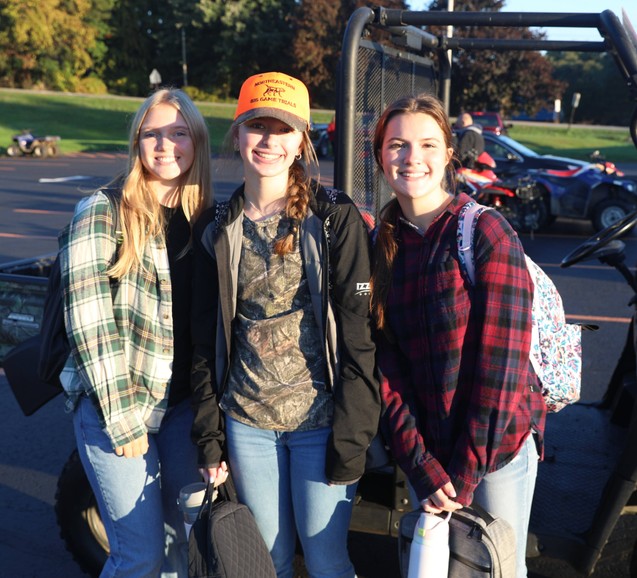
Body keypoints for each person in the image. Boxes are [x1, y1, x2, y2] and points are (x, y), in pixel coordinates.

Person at [190, 71, 380, 578]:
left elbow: (358, 335)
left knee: (325, 560)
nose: (269, 140)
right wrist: (211, 436)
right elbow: (206, 340)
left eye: (284, 129)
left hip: (320, 425)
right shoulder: (217, 227)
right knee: (266, 561)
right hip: (247, 423)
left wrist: (354, 431)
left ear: (302, 140)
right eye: (257, 126)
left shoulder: (333, 218)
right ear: (237, 133)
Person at [370, 93, 546, 578]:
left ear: (449, 154)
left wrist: (463, 475)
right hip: (426, 453)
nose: (412, 158)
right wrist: (420, 462)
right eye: (397, 145)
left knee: (494, 568)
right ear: (379, 154)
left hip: (493, 454)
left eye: (428, 144)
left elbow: (502, 370)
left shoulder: (486, 233)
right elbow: (384, 363)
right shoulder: (378, 247)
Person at [58, 88, 223, 578]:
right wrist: (123, 420)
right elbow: (89, 321)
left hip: (179, 412)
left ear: (197, 141)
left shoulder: (208, 220)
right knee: (140, 556)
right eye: (153, 133)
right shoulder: (102, 210)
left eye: (179, 132)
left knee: (177, 549)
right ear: (136, 141)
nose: (165, 144)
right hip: (119, 411)